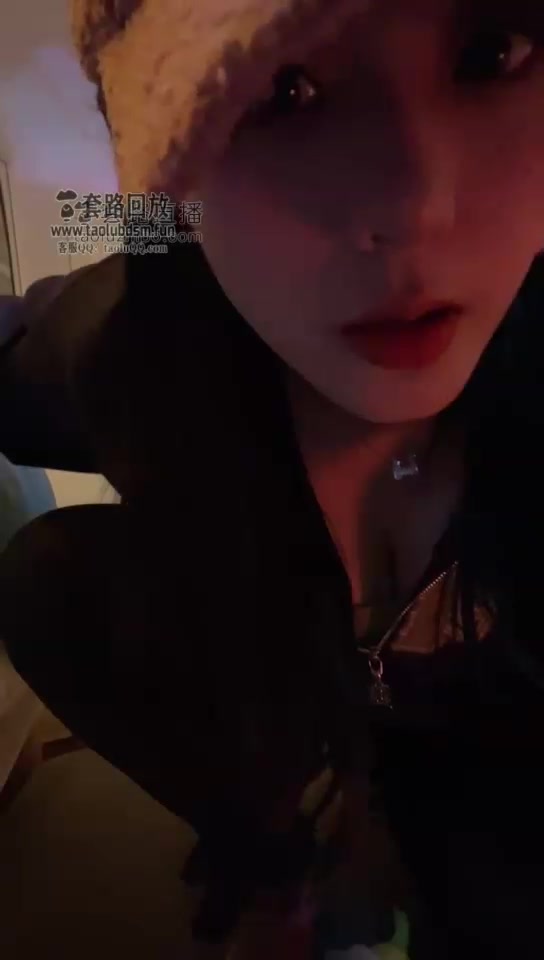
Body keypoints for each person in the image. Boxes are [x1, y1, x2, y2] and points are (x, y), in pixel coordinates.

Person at [0, 0, 544, 956]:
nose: (415, 204)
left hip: (490, 774)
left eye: (489, 53)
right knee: (46, 575)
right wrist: (274, 848)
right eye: (282, 89)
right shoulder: (141, 345)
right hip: (293, 724)